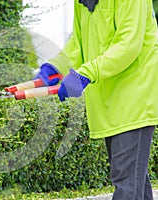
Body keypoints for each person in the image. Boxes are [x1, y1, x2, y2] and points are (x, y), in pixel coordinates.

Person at [34, 0, 158, 199]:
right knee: (134, 184)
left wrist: (85, 74)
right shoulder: (83, 1)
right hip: (108, 102)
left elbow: (128, 45)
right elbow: (79, 42)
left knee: (127, 185)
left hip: (134, 100)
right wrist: (55, 68)